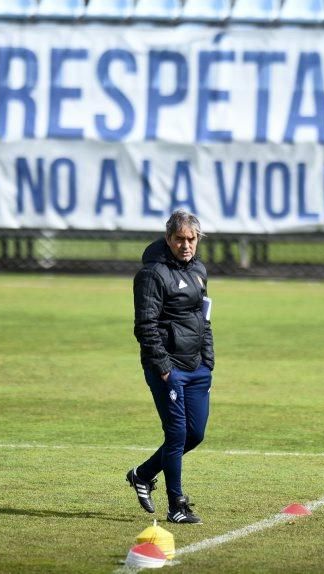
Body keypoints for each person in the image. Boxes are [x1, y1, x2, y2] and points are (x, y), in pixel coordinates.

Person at [127, 210, 214, 525]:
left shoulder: (199, 270)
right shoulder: (152, 274)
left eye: (192, 239)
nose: (186, 245)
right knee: (177, 434)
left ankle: (144, 474)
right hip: (168, 368)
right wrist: (164, 368)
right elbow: (145, 326)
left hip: (197, 367)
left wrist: (208, 359)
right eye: (180, 239)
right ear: (168, 238)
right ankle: (177, 504)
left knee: (195, 434)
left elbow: (204, 318)